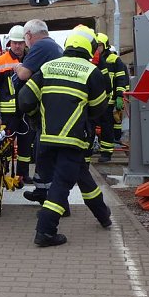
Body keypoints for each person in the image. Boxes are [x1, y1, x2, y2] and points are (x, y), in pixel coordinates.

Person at [18, 28, 113, 247]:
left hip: (47, 139)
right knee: (61, 185)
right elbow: (99, 108)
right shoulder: (92, 71)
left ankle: (103, 214)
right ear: (89, 48)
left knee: (82, 176)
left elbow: (25, 99)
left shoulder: (47, 68)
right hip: (73, 140)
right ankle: (45, 231)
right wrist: (82, 116)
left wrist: (36, 119)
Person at [14, 19, 64, 200]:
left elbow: (23, 74)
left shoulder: (40, 47)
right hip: (54, 107)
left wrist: (18, 66)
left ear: (28, 36)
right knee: (42, 152)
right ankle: (42, 191)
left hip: (46, 109)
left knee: (45, 152)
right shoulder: (55, 47)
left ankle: (50, 198)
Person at [0, 24, 32, 185]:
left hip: (27, 112)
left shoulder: (31, 59)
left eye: (20, 42)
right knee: (5, 145)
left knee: (26, 146)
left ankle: (23, 175)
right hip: (8, 113)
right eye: (14, 42)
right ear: (10, 44)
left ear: (25, 43)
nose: (17, 45)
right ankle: (3, 172)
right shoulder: (1, 61)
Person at [92, 34, 130, 159]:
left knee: (107, 126)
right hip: (94, 100)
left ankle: (106, 153)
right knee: (91, 126)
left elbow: (121, 79)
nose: (97, 48)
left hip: (108, 100)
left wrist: (119, 96)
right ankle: (90, 149)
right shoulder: (92, 59)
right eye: (96, 45)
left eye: (99, 45)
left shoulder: (114, 60)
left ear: (105, 45)